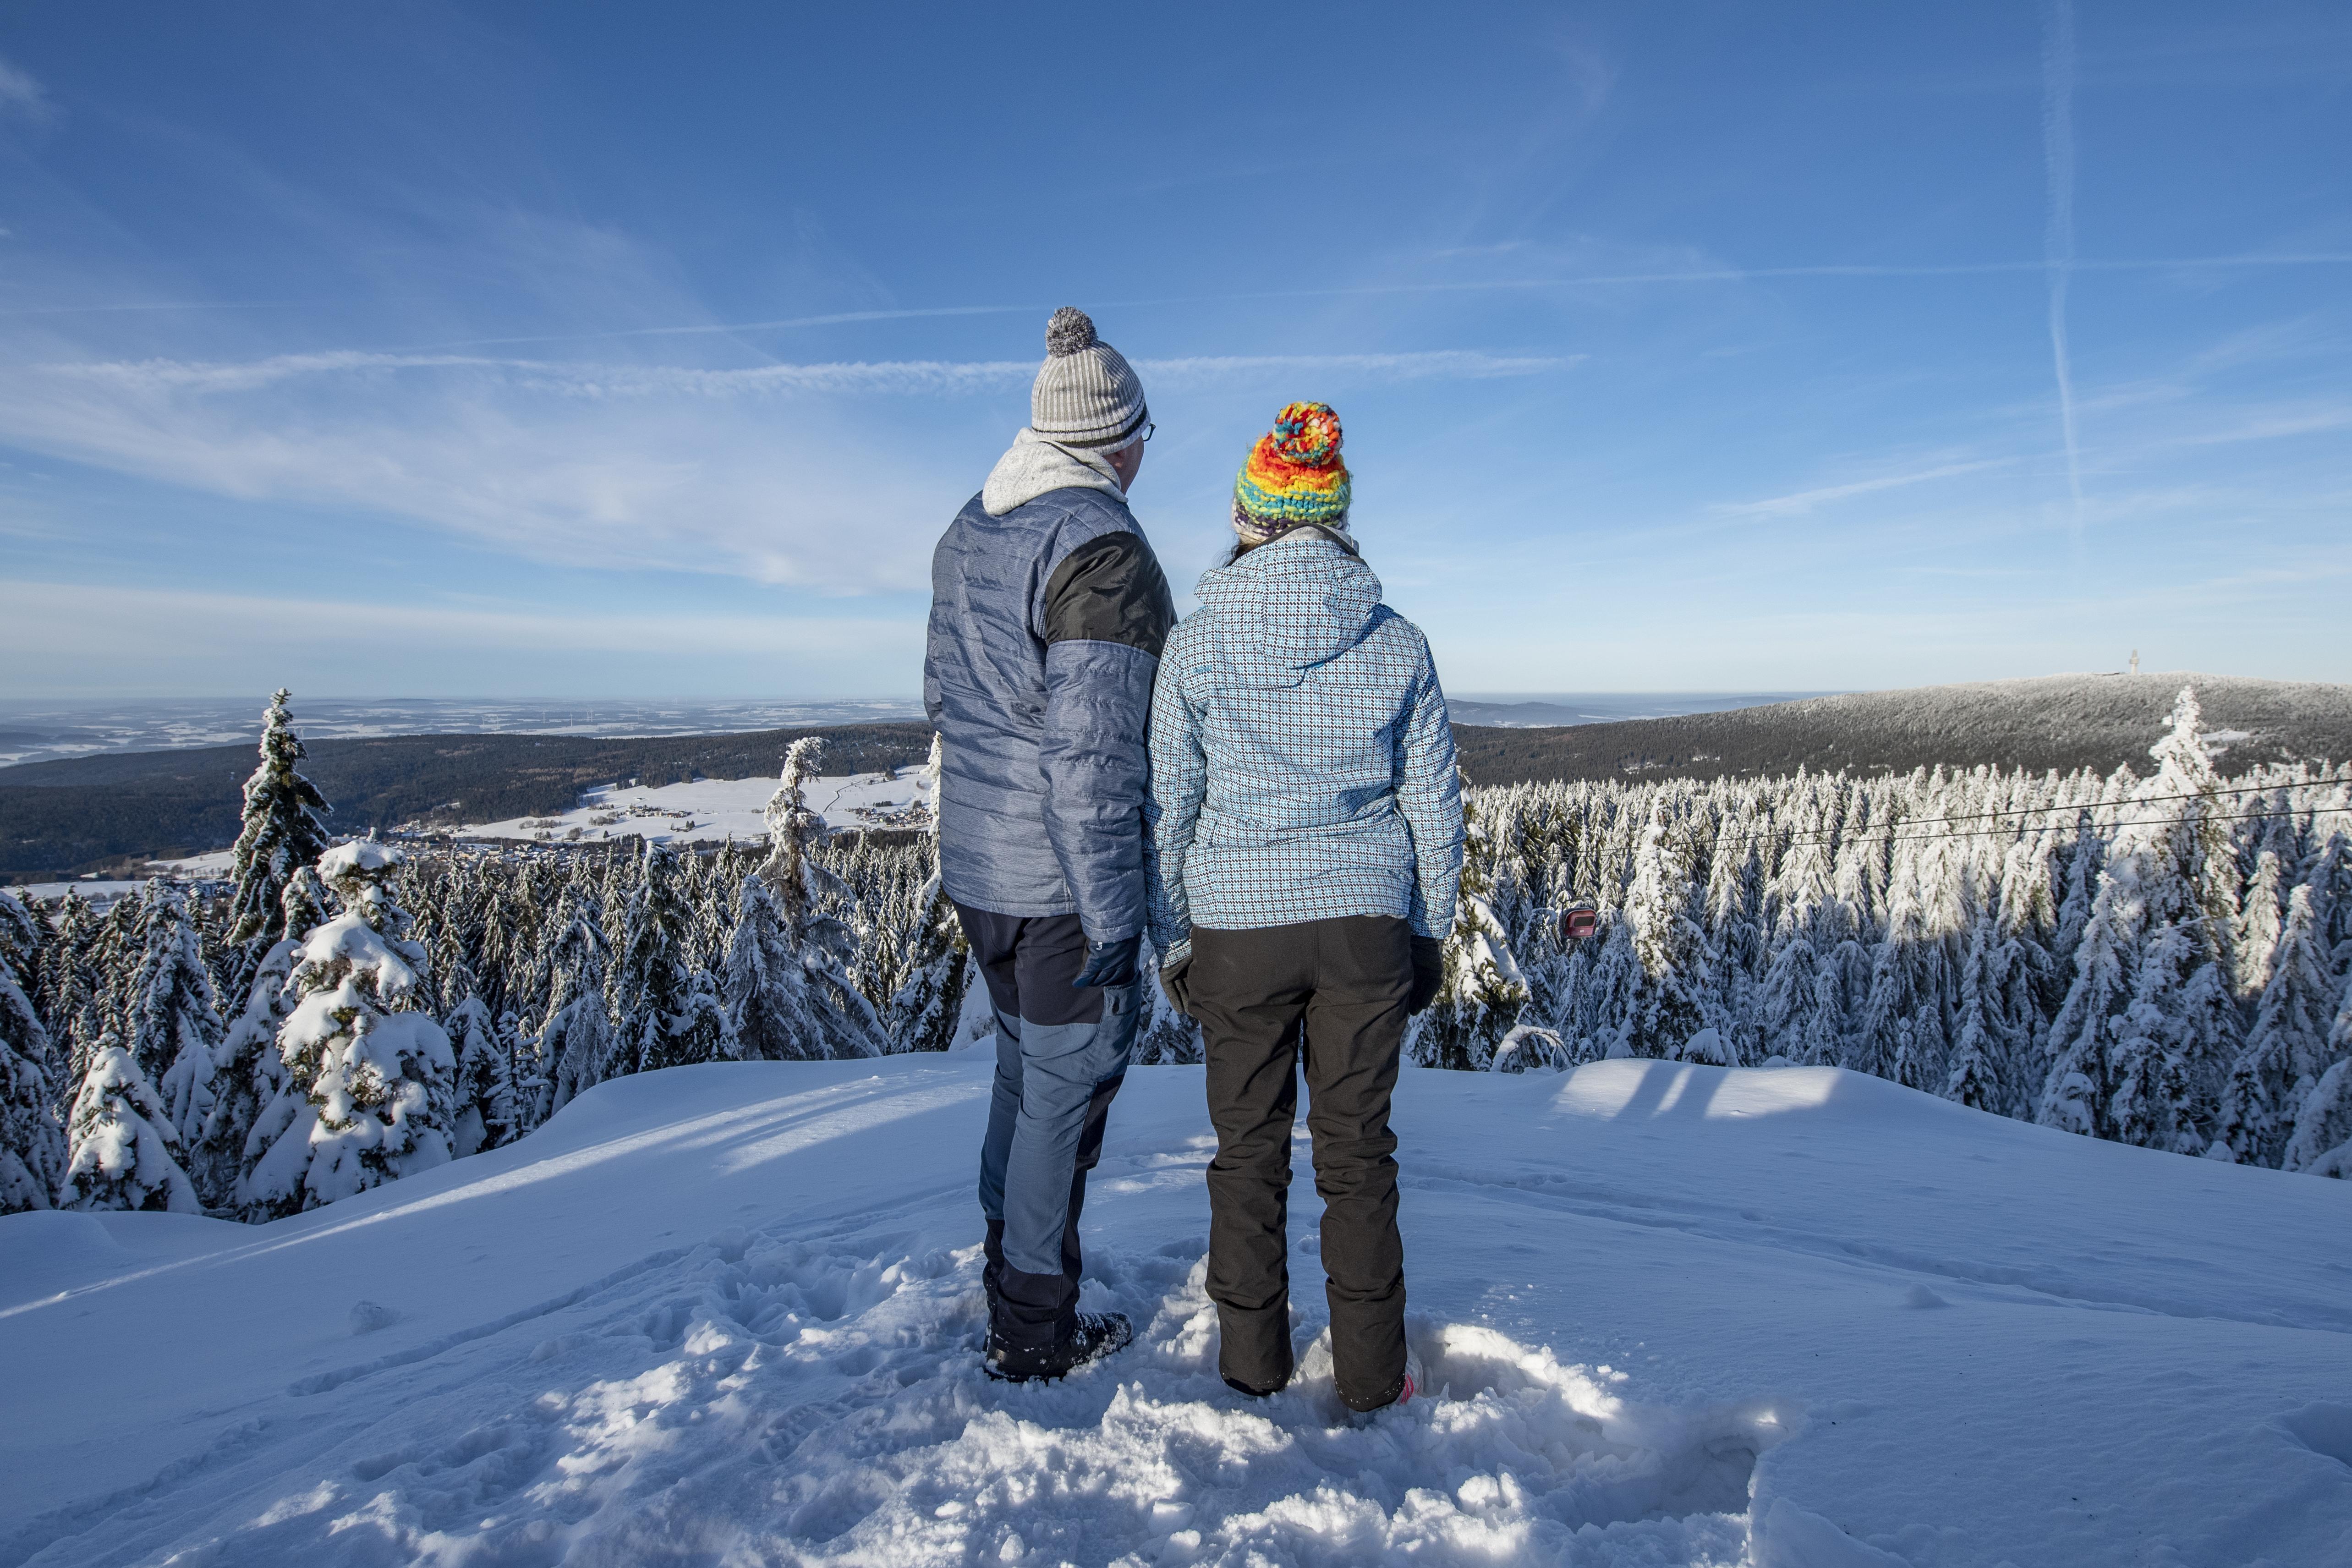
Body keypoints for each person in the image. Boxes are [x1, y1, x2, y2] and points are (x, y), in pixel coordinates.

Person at [1145, 401, 1464, 1413]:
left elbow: (1169, 805)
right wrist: (1429, 930)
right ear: (1334, 520)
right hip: (1364, 927)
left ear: (1248, 518)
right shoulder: (1397, 643)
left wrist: (1176, 937)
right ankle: (1373, 1378)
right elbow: (1433, 807)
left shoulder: (1194, 648)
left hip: (1237, 929)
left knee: (1247, 1153)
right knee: (1355, 1156)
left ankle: (1251, 1366)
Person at [925, 307, 1174, 1382]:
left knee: (1024, 1082)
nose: (1141, 454)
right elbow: (1093, 762)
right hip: (1057, 880)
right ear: (1109, 436)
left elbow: (942, 696)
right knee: (1061, 1097)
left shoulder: (970, 527)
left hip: (978, 865)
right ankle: (1030, 1328)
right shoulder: (1101, 551)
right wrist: (1118, 921)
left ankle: (1007, 1273)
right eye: (1140, 434)